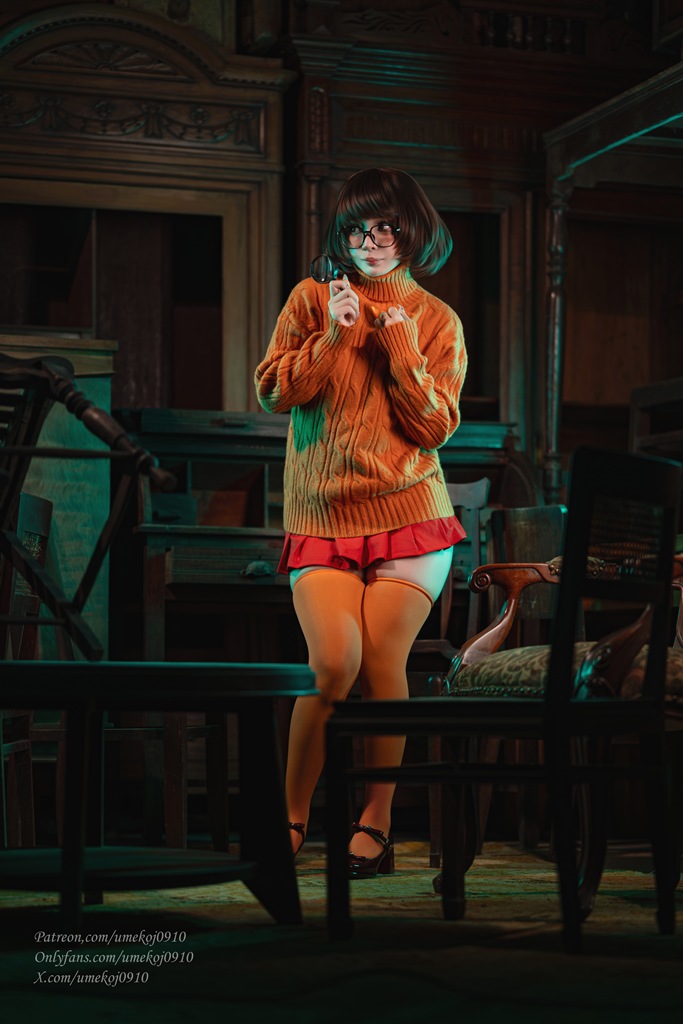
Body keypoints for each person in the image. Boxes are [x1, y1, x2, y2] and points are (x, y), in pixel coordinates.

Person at [254, 167, 468, 877]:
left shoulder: (437, 320)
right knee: (332, 664)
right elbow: (272, 391)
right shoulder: (311, 299)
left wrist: (399, 347)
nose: (370, 243)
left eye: (385, 229)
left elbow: (434, 428)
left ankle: (374, 823)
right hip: (322, 515)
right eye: (356, 230)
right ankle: (290, 820)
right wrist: (335, 336)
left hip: (411, 514)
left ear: (412, 232)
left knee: (381, 660)